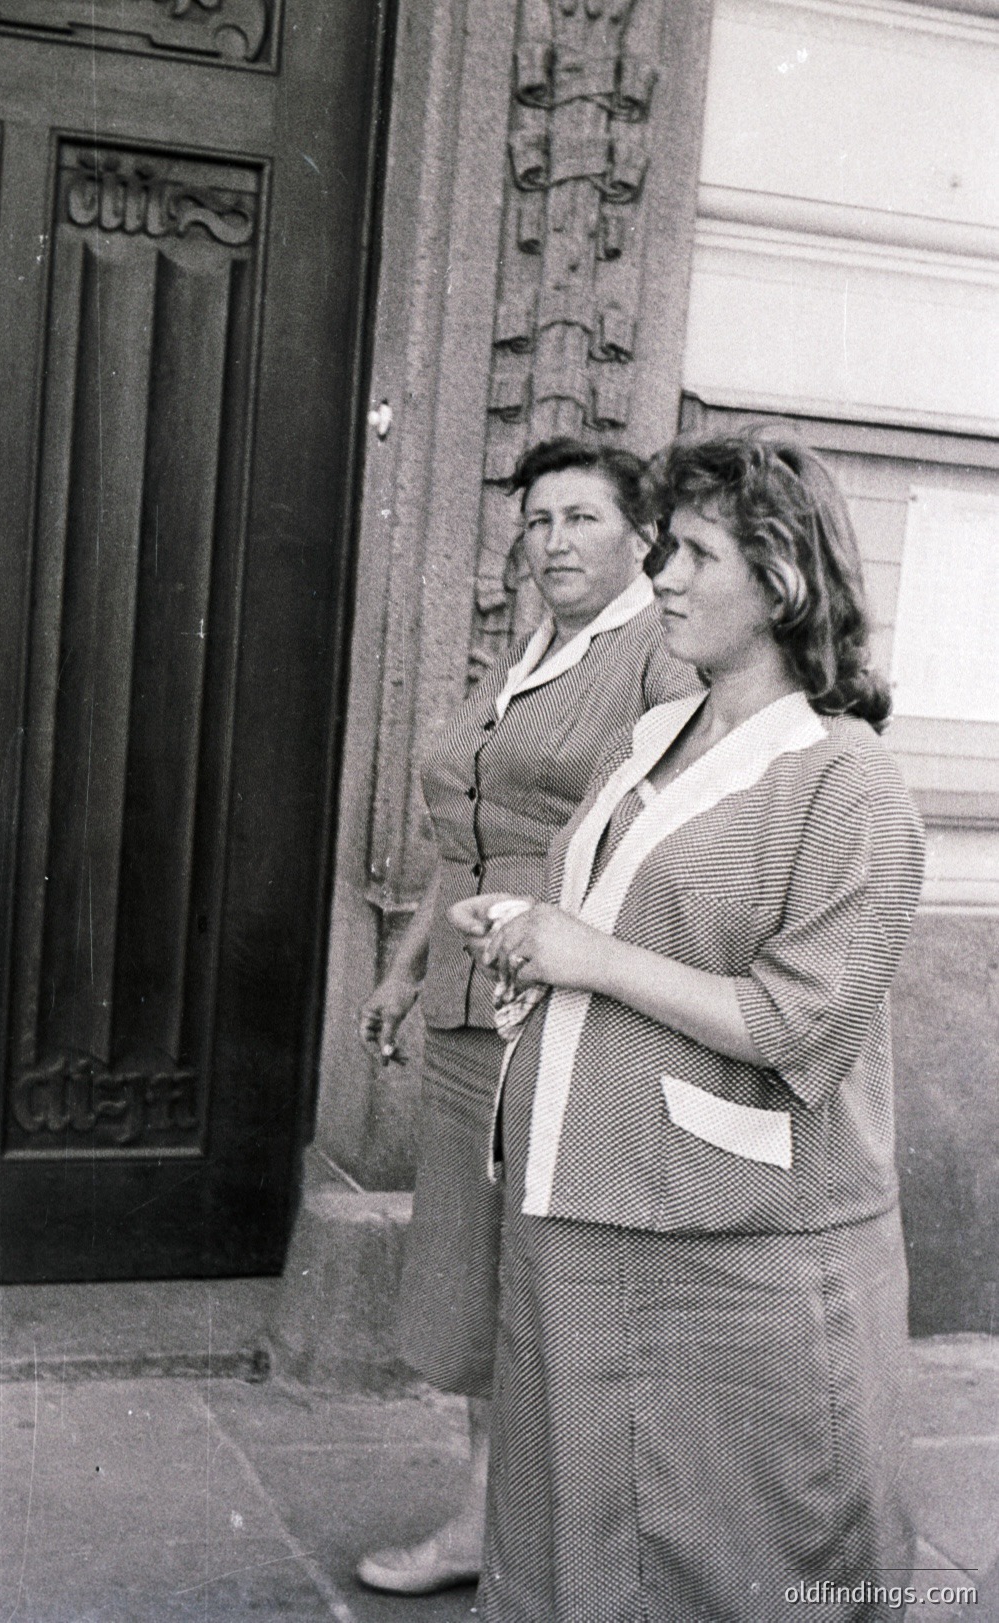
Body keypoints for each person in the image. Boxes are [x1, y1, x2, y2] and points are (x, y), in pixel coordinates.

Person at [453, 429, 926, 1622]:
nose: (658, 574)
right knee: (578, 1526)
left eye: (695, 551)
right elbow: (630, 928)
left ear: (781, 580)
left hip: (725, 1237)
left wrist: (591, 956)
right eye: (661, 545)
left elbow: (799, 1022)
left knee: (722, 1541)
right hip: (582, 1201)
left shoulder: (847, 782)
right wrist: (536, 944)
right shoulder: (656, 736)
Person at [354, 437, 700, 1595]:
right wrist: (406, 971)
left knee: (551, 1283)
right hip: (467, 1011)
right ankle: (481, 1524)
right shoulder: (534, 651)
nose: (552, 542)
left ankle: (577, 1544)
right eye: (538, 520)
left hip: (560, 1012)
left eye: (582, 519)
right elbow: (470, 836)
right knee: (471, 1281)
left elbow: (671, 844)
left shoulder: (660, 655)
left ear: (642, 538)